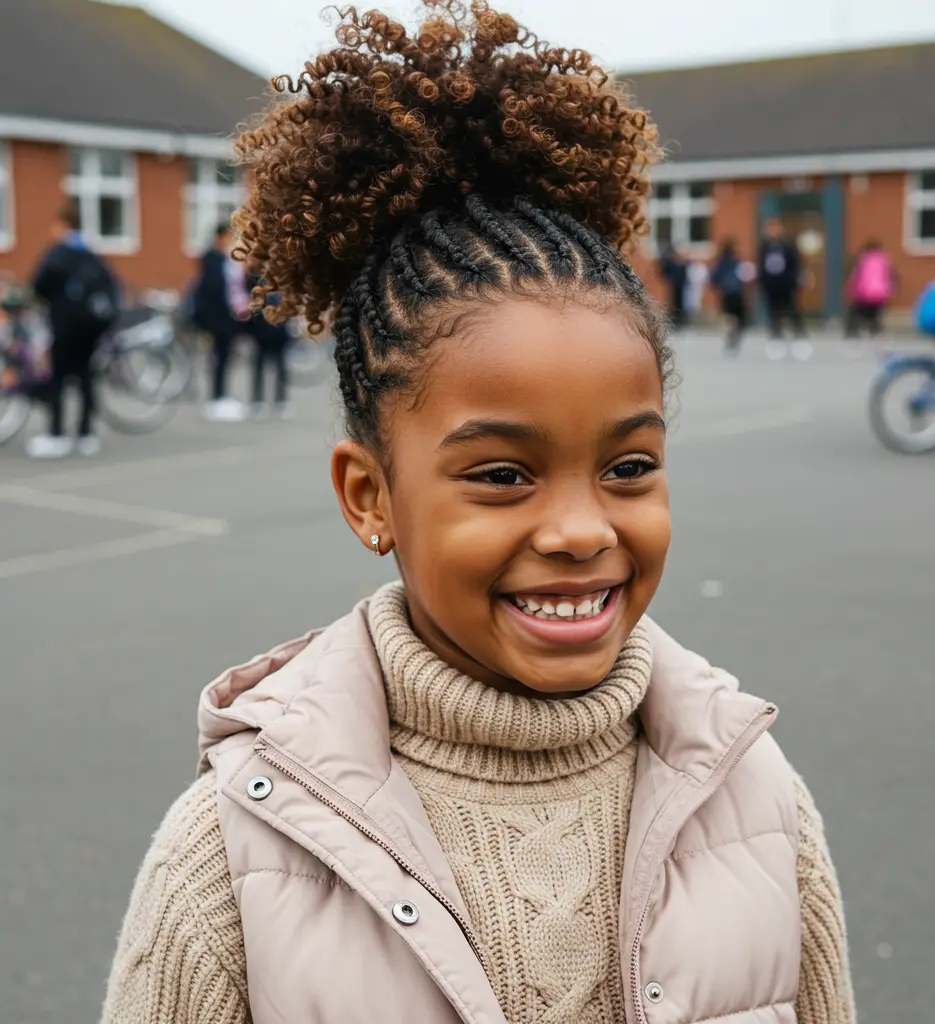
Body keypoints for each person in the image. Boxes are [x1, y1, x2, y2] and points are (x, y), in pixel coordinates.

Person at [100, 5, 854, 1024]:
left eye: (629, 466)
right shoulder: (235, 861)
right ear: (369, 496)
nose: (582, 530)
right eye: (503, 475)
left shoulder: (755, 803)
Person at [27, 204, 119, 458]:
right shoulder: (91, 253)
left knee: (58, 378)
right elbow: (110, 284)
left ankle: (56, 434)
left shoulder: (58, 253)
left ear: (63, 225)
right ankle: (86, 433)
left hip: (64, 325)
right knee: (86, 377)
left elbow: (39, 285)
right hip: (90, 327)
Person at [192, 222, 248, 422]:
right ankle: (216, 398)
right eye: (228, 236)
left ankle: (221, 396)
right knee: (219, 357)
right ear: (220, 237)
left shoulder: (225, 259)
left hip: (226, 317)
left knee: (225, 357)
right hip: (218, 318)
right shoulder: (211, 258)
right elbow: (216, 287)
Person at [757, 217, 806, 344]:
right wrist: (762, 281)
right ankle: (776, 332)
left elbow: (795, 264)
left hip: (786, 283)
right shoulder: (765, 246)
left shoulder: (787, 245)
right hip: (771, 284)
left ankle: (798, 331)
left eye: (775, 228)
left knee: (791, 307)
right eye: (771, 229)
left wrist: (796, 279)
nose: (773, 231)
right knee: (773, 309)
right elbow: (761, 265)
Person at [248, 284, 291, 418]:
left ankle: (280, 400)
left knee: (280, 366)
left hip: (278, 330)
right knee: (261, 365)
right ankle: (259, 401)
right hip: (263, 330)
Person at [845, 240, 894, 338]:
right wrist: (889, 290)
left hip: (864, 292)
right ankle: (875, 329)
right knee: (875, 312)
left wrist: (850, 288)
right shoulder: (884, 260)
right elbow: (889, 276)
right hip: (880, 292)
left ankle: (853, 330)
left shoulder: (862, 259)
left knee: (856, 311)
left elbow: (856, 275)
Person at [711, 238, 748, 354]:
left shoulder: (721, 263)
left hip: (727, 293)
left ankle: (731, 335)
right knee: (736, 316)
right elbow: (744, 277)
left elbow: (714, 279)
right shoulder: (736, 262)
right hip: (736, 293)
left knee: (729, 316)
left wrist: (720, 287)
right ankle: (734, 335)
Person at [658, 241, 689, 329]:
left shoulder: (679, 264)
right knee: (674, 302)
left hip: (680, 286)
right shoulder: (670, 262)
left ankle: (679, 319)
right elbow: (664, 270)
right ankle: (676, 319)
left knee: (680, 302)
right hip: (675, 285)